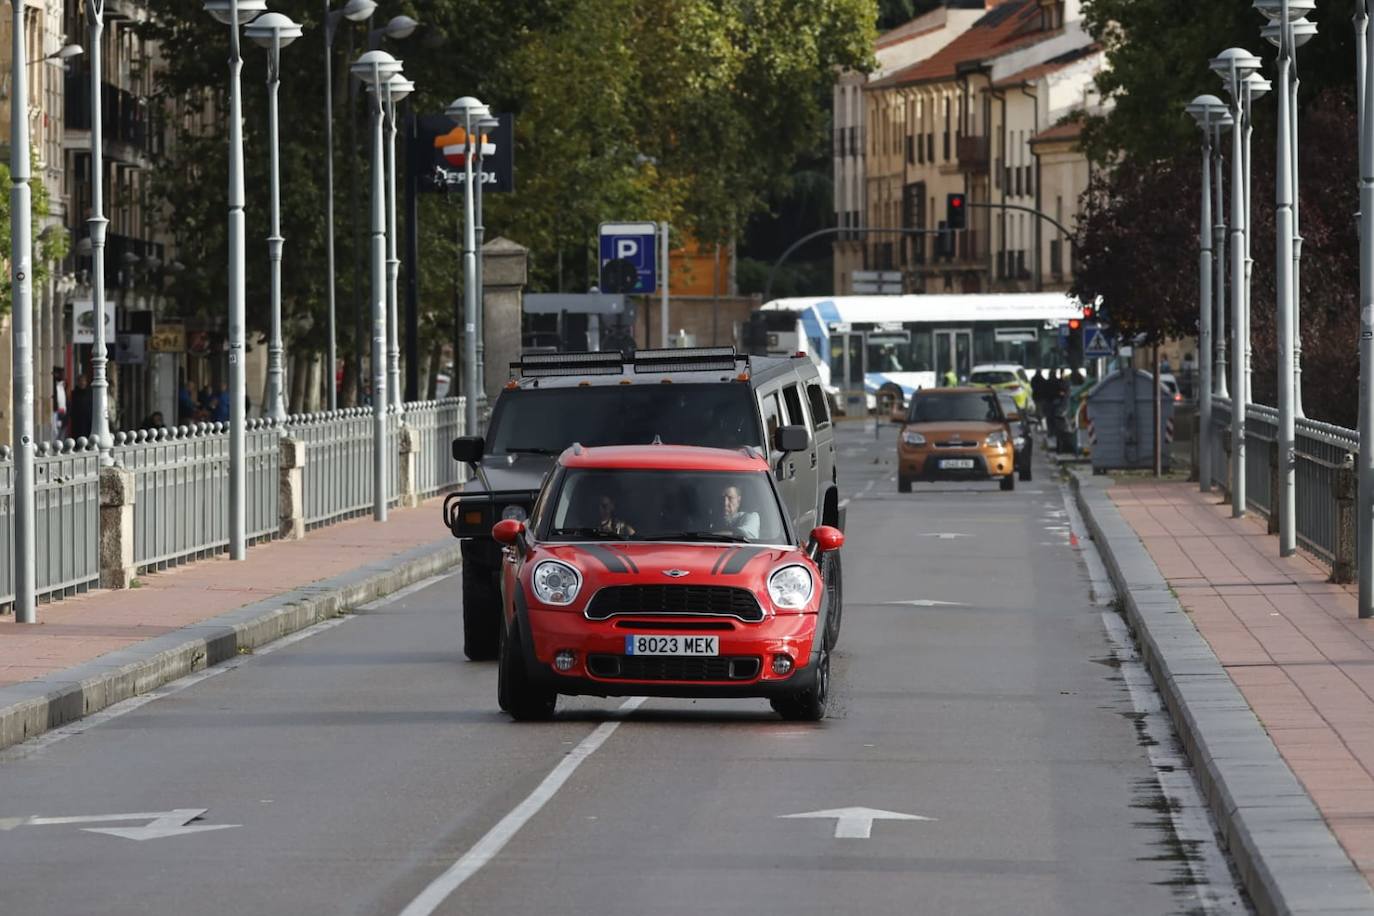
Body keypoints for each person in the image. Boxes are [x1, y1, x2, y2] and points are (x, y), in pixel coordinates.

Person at [68, 374, 93, 440]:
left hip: (88, 421)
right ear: (78, 382)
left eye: (84, 381)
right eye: (81, 381)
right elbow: (71, 406)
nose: (82, 383)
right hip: (77, 421)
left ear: (86, 382)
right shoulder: (73, 394)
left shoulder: (90, 393)